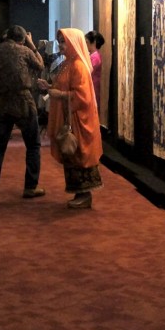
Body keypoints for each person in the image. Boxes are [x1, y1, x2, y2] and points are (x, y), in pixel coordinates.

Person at [37, 28, 103, 209]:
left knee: (79, 154)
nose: (61, 46)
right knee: (72, 155)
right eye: (60, 42)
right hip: (70, 118)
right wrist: (50, 86)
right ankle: (79, 192)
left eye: (64, 42)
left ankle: (85, 194)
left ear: (74, 43)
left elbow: (83, 97)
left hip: (78, 120)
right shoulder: (69, 63)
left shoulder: (79, 66)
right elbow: (65, 87)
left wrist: (59, 94)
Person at [0, 25, 45, 199]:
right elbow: (40, 65)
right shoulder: (25, 51)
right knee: (33, 145)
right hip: (23, 101)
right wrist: (32, 45)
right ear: (23, 39)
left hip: (1, 101)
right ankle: (30, 187)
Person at [84, 30, 105, 112]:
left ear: (94, 42)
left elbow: (87, 72)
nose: (85, 44)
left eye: (86, 42)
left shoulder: (95, 57)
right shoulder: (92, 55)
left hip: (92, 89)